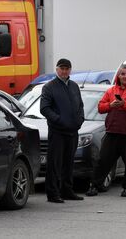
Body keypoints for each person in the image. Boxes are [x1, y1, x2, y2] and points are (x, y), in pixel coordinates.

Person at [86, 64, 126, 198]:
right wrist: (110, 105)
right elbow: (101, 107)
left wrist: (125, 104)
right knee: (102, 161)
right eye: (122, 74)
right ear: (118, 76)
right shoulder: (111, 91)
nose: (125, 76)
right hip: (112, 132)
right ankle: (94, 185)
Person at [40, 58, 85, 203]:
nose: (64, 71)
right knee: (54, 163)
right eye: (62, 68)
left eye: (67, 69)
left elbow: (80, 106)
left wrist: (80, 119)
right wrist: (58, 120)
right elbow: (44, 108)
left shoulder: (74, 86)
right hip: (58, 132)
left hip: (73, 131)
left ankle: (67, 190)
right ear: (57, 69)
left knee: (69, 163)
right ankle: (53, 193)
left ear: (70, 70)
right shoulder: (49, 87)